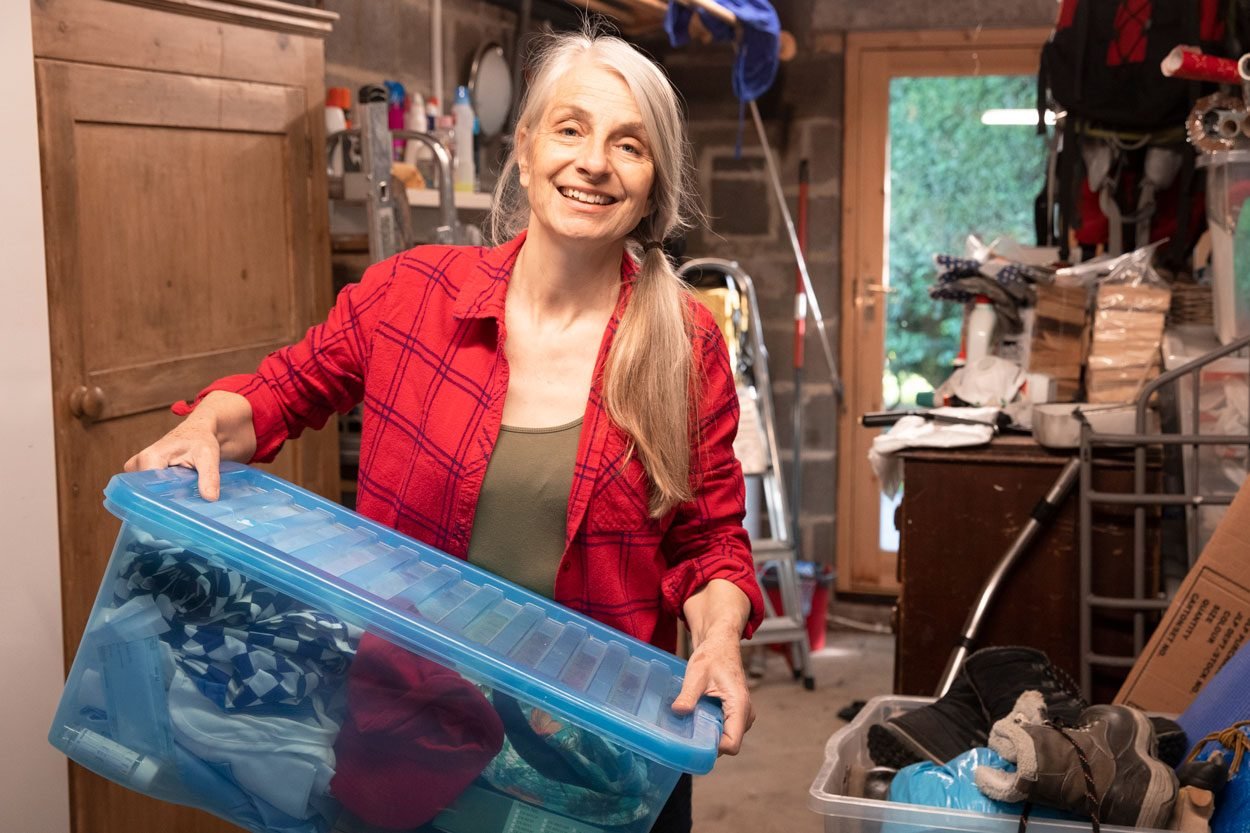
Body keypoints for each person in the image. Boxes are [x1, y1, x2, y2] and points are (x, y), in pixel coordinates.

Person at [125, 26, 763, 832]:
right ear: (526, 150)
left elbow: (709, 542)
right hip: (410, 733)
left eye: (628, 145)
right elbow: (277, 395)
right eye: (570, 129)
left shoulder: (684, 341)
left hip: (594, 757)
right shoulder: (412, 295)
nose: (593, 162)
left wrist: (717, 641)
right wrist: (205, 427)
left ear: (653, 183)